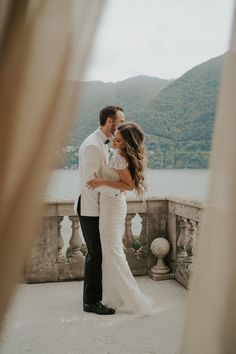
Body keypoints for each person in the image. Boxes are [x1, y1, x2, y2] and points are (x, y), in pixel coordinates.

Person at [87, 122, 153, 315]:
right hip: (113, 205)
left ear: (126, 144)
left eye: (118, 140)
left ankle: (133, 298)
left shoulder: (119, 159)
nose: (114, 142)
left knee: (113, 253)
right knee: (111, 252)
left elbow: (128, 185)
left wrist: (102, 181)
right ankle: (115, 297)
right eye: (114, 137)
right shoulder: (120, 156)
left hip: (112, 208)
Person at [76, 106, 127, 315]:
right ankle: (91, 301)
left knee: (98, 254)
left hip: (101, 207)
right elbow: (90, 182)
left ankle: (97, 295)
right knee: (95, 254)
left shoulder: (103, 143)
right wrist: (119, 188)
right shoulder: (92, 146)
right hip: (90, 208)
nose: (122, 125)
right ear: (109, 121)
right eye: (120, 121)